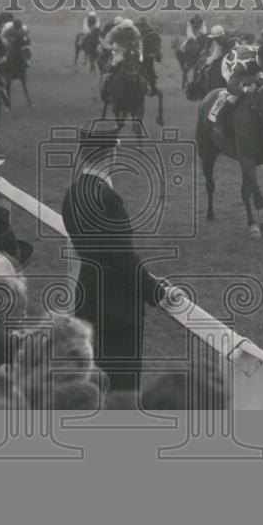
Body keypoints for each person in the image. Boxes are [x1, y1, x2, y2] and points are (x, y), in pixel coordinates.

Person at [61, 120, 171, 392]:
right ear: (111, 155)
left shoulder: (71, 193)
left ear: (81, 153)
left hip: (87, 298)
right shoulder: (108, 198)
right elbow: (122, 258)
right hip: (115, 311)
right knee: (119, 394)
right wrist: (156, 291)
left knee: (92, 386)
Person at [211, 23, 263, 138]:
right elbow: (231, 87)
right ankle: (220, 123)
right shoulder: (241, 66)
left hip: (252, 64)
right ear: (261, 59)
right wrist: (245, 89)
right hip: (231, 64)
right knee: (234, 96)